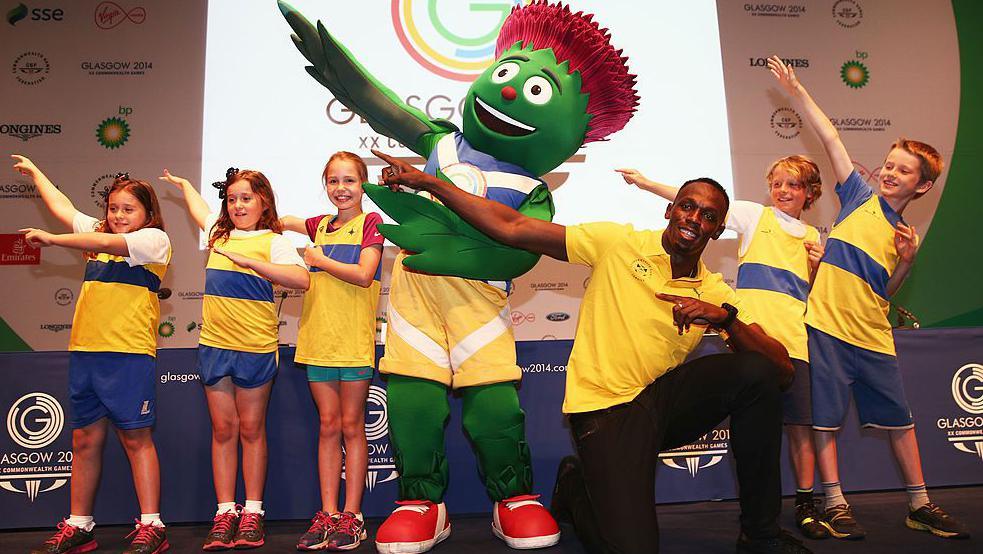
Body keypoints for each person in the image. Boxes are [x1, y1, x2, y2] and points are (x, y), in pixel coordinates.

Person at [371, 149, 811, 554]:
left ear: (718, 230)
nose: (694, 218)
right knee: (630, 549)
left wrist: (726, 320)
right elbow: (514, 227)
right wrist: (434, 185)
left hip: (661, 404)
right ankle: (574, 489)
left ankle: (760, 533)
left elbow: (781, 371)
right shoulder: (619, 243)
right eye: (687, 206)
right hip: (606, 411)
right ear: (669, 209)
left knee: (755, 372)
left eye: (709, 215)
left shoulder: (714, 290)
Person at [769, 55, 969, 540]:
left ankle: (920, 504)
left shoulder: (903, 234)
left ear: (921, 186)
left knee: (900, 422)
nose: (891, 172)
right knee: (826, 423)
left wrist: (907, 260)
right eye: (890, 163)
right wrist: (797, 92)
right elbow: (832, 138)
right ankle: (835, 502)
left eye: (904, 171)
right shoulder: (858, 196)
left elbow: (887, 290)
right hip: (827, 332)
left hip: (874, 338)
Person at [617, 157, 828, 540]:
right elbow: (697, 204)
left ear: (809, 193)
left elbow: (807, 292)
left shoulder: (814, 238)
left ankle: (805, 502)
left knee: (799, 427)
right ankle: (760, 524)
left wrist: (817, 270)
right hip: (752, 339)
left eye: (793, 185)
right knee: (755, 420)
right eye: (777, 183)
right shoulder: (753, 215)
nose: (783, 191)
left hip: (793, 340)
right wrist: (647, 184)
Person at [15, 155, 172, 554]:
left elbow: (103, 242)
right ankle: (79, 525)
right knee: (84, 439)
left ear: (147, 212)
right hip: (85, 351)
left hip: (128, 354)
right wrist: (37, 173)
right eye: (114, 208)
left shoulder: (153, 240)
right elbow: (64, 208)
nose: (118, 216)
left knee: (136, 439)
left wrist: (52, 240)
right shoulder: (99, 230)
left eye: (128, 209)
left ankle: (152, 525)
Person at [161, 168, 309, 550]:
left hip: (255, 348)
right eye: (231, 199)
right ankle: (226, 511)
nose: (238, 205)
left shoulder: (273, 241)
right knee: (223, 430)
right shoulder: (219, 234)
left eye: (246, 198)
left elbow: (301, 279)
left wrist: (252, 264)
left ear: (263, 200)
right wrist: (185, 186)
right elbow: (198, 210)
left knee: (250, 429)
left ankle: (253, 513)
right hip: (214, 345)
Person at [279, 152, 384, 551]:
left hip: (353, 342)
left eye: (349, 181)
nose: (341, 189)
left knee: (352, 426)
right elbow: (283, 220)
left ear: (362, 185)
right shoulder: (319, 225)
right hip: (318, 341)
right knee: (328, 426)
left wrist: (319, 258)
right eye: (333, 181)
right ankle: (327, 512)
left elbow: (363, 274)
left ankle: (352, 516)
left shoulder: (370, 223)